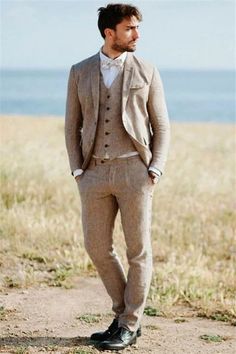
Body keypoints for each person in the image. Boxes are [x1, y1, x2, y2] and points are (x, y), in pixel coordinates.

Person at [65, 3, 170, 351]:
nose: (137, 35)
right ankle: (124, 315)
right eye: (130, 29)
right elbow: (72, 124)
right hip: (93, 173)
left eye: (137, 29)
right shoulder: (79, 71)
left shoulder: (147, 70)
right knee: (96, 247)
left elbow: (162, 126)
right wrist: (78, 168)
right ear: (110, 33)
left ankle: (128, 323)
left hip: (134, 172)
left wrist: (155, 167)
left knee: (138, 251)